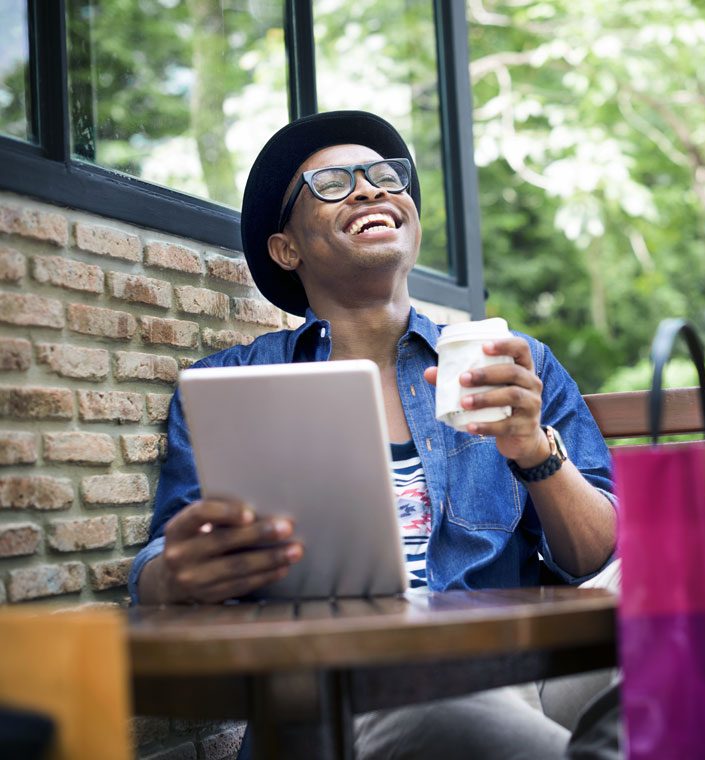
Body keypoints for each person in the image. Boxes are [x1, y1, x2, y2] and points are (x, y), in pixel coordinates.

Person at [127, 110, 620, 759]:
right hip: (346, 701)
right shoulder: (234, 383)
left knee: (675, 635)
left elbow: (597, 559)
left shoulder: (512, 365)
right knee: (448, 696)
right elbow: (161, 571)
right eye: (332, 183)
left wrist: (534, 451)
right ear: (287, 249)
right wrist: (175, 575)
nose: (369, 190)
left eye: (386, 177)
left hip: (522, 674)